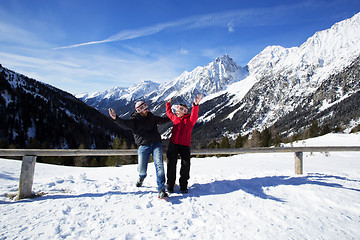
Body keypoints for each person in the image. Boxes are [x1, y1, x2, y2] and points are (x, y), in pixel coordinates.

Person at [108, 101, 170, 199]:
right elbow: (124, 124)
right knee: (142, 168)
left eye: (146, 107)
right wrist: (116, 118)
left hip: (156, 143)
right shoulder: (134, 120)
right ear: (140, 110)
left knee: (159, 164)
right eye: (145, 108)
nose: (147, 110)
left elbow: (161, 120)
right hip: (143, 145)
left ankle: (161, 189)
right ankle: (141, 177)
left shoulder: (151, 116)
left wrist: (173, 117)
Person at [165, 95, 203, 193]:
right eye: (177, 110)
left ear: (184, 112)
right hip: (173, 144)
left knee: (185, 165)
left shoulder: (190, 121)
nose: (177, 112)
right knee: (171, 164)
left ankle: (183, 185)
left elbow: (194, 114)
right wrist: (168, 104)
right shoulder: (175, 118)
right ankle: (170, 185)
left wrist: (195, 105)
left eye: (179, 110)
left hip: (185, 145)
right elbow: (169, 113)